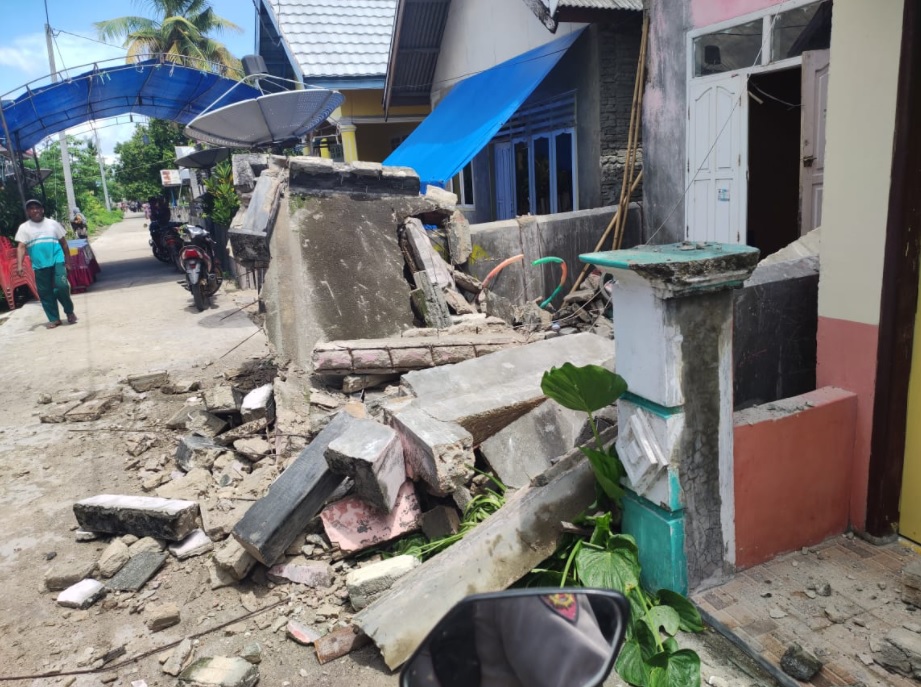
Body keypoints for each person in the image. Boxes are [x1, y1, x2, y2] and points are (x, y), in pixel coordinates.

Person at [15, 199, 78, 329]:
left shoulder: (52, 224)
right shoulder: (24, 228)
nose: (35, 210)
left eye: (37, 207)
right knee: (45, 292)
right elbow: (21, 247)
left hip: (57, 260)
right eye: (31, 208)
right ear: (28, 212)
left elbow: (64, 244)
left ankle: (69, 311)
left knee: (62, 286)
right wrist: (20, 265)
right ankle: (54, 318)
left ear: (42, 209)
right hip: (39, 264)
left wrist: (68, 261)